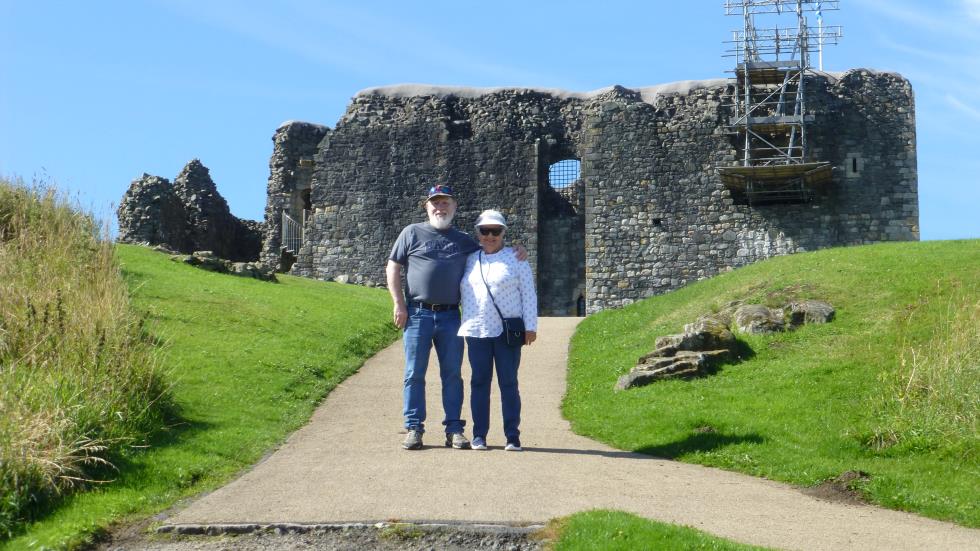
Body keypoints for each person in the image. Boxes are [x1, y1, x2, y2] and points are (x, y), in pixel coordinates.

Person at [386, 185, 526, 451]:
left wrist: (517, 249)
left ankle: (454, 429)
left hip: (451, 316)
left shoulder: (463, 240)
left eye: (445, 203)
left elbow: (491, 246)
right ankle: (414, 428)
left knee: (452, 374)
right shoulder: (411, 233)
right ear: (427, 207)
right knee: (414, 373)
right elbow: (393, 266)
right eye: (435, 203)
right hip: (418, 313)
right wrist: (398, 304)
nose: (440, 208)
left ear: (454, 207)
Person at [458, 210, 537, 452]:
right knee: (479, 383)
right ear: (478, 233)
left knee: (509, 383)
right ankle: (479, 435)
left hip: (507, 332)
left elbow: (528, 294)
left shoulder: (517, 258)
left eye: (495, 231)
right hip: (477, 329)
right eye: (485, 231)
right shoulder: (469, 258)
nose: (490, 236)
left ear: (503, 232)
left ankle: (512, 436)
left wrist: (531, 326)